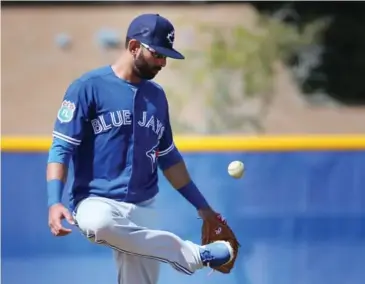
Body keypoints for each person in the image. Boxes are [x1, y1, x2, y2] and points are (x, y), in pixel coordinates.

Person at [46, 13, 234, 284]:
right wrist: (54, 200)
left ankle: (189, 254)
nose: (163, 62)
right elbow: (61, 148)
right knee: (99, 224)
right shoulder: (88, 88)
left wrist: (203, 208)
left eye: (166, 56)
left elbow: (169, 157)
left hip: (143, 206)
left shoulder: (156, 96)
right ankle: (195, 256)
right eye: (157, 54)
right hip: (96, 203)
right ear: (134, 47)